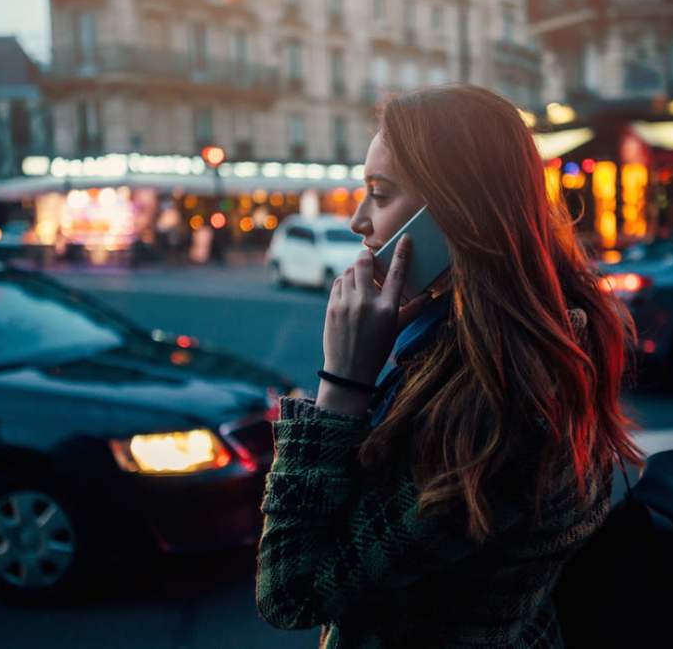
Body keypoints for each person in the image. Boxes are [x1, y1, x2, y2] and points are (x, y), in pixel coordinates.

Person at [255, 85, 641, 647]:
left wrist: (341, 384)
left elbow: (291, 592)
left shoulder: (503, 406)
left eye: (379, 194)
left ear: (452, 213)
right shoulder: (515, 342)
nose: (358, 220)